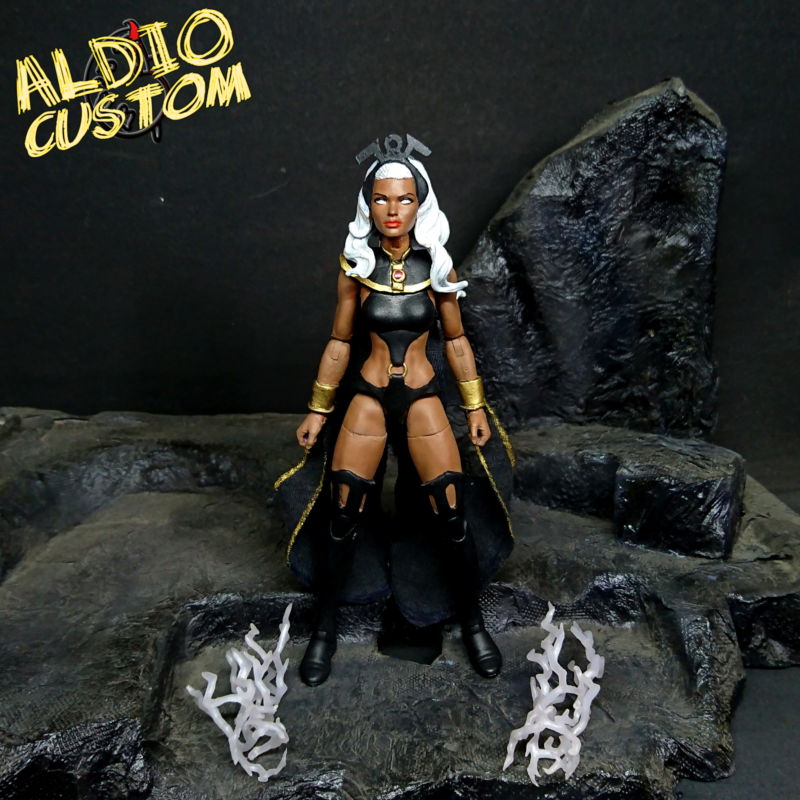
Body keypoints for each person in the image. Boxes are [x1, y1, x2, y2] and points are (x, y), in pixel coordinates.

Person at [275, 134, 514, 686]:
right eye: (382, 199)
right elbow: (340, 341)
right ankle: (324, 630)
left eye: (405, 199)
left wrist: (475, 406)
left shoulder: (437, 265)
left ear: (419, 204)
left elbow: (456, 341)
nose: (392, 210)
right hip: (369, 396)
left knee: (451, 510)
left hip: (423, 396)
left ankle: (473, 623)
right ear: (368, 203)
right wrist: (317, 410)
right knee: (342, 513)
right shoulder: (356, 266)